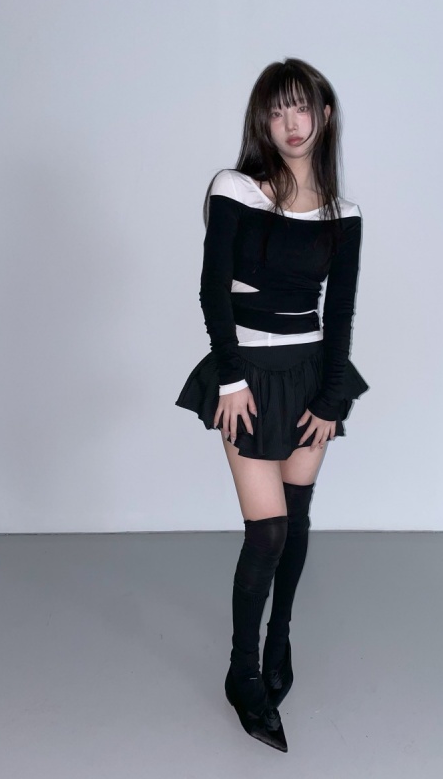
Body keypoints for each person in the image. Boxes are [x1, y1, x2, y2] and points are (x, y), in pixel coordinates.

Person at [175, 57, 369, 752]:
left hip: (311, 373)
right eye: (277, 109)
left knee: (297, 518)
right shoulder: (235, 189)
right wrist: (230, 380)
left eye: (302, 107)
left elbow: (338, 314)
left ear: (324, 115)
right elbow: (213, 290)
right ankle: (243, 670)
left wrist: (332, 396)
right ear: (263, 118)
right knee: (267, 531)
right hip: (247, 377)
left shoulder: (344, 214)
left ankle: (279, 636)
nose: (291, 123)